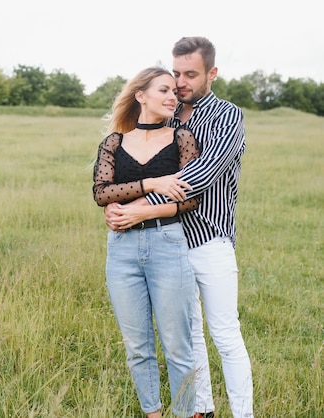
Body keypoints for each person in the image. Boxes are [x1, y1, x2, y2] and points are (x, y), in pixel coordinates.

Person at [105, 37, 254, 418]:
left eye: (191, 74)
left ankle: (243, 414)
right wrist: (123, 204)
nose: (181, 82)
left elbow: (200, 175)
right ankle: (200, 409)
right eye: (176, 73)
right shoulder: (168, 115)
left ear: (212, 73)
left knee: (224, 333)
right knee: (189, 338)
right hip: (169, 241)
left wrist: (137, 208)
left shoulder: (227, 115)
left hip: (209, 237)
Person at [93, 66, 202, 418]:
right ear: (140, 96)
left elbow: (189, 198)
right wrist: (153, 184)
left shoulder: (181, 138)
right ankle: (152, 414)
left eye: (174, 91)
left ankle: (185, 414)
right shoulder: (114, 142)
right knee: (138, 347)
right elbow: (101, 193)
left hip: (168, 245)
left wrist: (139, 212)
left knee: (177, 347)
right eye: (163, 91)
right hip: (121, 252)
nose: (173, 97)